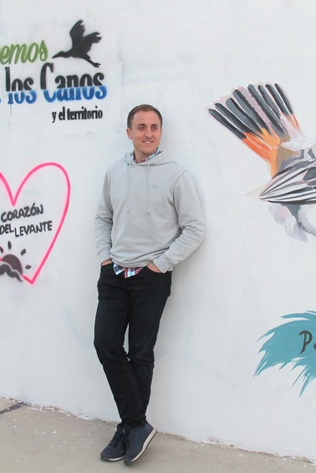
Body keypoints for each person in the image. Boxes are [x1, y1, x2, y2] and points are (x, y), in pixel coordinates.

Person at [93, 104, 205, 465]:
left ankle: (129, 427)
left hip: (150, 279)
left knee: (140, 353)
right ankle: (135, 423)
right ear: (129, 132)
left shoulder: (176, 175)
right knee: (106, 343)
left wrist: (160, 265)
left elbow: (195, 229)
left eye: (154, 127)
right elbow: (102, 217)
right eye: (140, 127)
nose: (148, 133)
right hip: (115, 275)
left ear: (160, 133)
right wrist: (105, 257)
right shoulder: (114, 171)